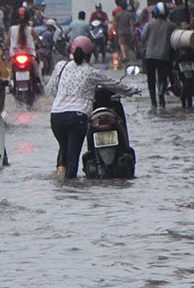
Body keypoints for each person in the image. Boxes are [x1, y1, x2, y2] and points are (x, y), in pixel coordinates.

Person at [47, 36, 135, 180]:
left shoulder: (61, 66)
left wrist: (65, 97)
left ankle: (61, 184)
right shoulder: (91, 72)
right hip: (77, 117)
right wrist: (132, 90)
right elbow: (114, 85)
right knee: (73, 156)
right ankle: (70, 187)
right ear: (90, 54)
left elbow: (51, 89)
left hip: (56, 116)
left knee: (63, 148)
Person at [140, 2, 175, 109]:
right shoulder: (172, 26)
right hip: (164, 56)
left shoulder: (149, 25)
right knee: (162, 78)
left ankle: (153, 101)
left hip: (150, 56)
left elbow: (143, 37)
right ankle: (161, 94)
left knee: (150, 78)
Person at [113, 0, 135, 64]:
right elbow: (131, 24)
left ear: (121, 7)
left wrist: (115, 31)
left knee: (122, 44)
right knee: (127, 44)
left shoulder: (118, 15)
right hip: (127, 31)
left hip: (120, 31)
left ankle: (124, 55)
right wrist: (132, 32)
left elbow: (115, 24)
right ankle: (127, 56)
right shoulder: (129, 14)